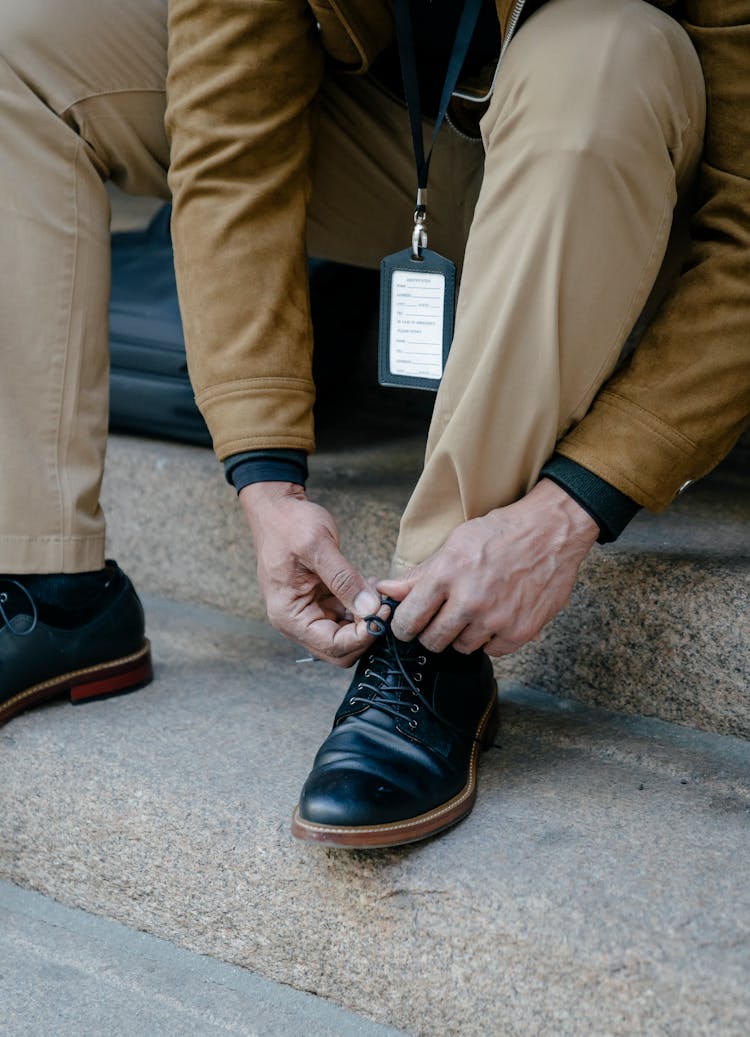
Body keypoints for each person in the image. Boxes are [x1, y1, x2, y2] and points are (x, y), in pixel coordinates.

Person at [0, 1, 747, 845]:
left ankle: (432, 631)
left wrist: (567, 510)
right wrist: (264, 476)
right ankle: (50, 589)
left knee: (604, 50)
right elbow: (229, 135)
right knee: (21, 50)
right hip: (419, 154)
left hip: (621, 150)